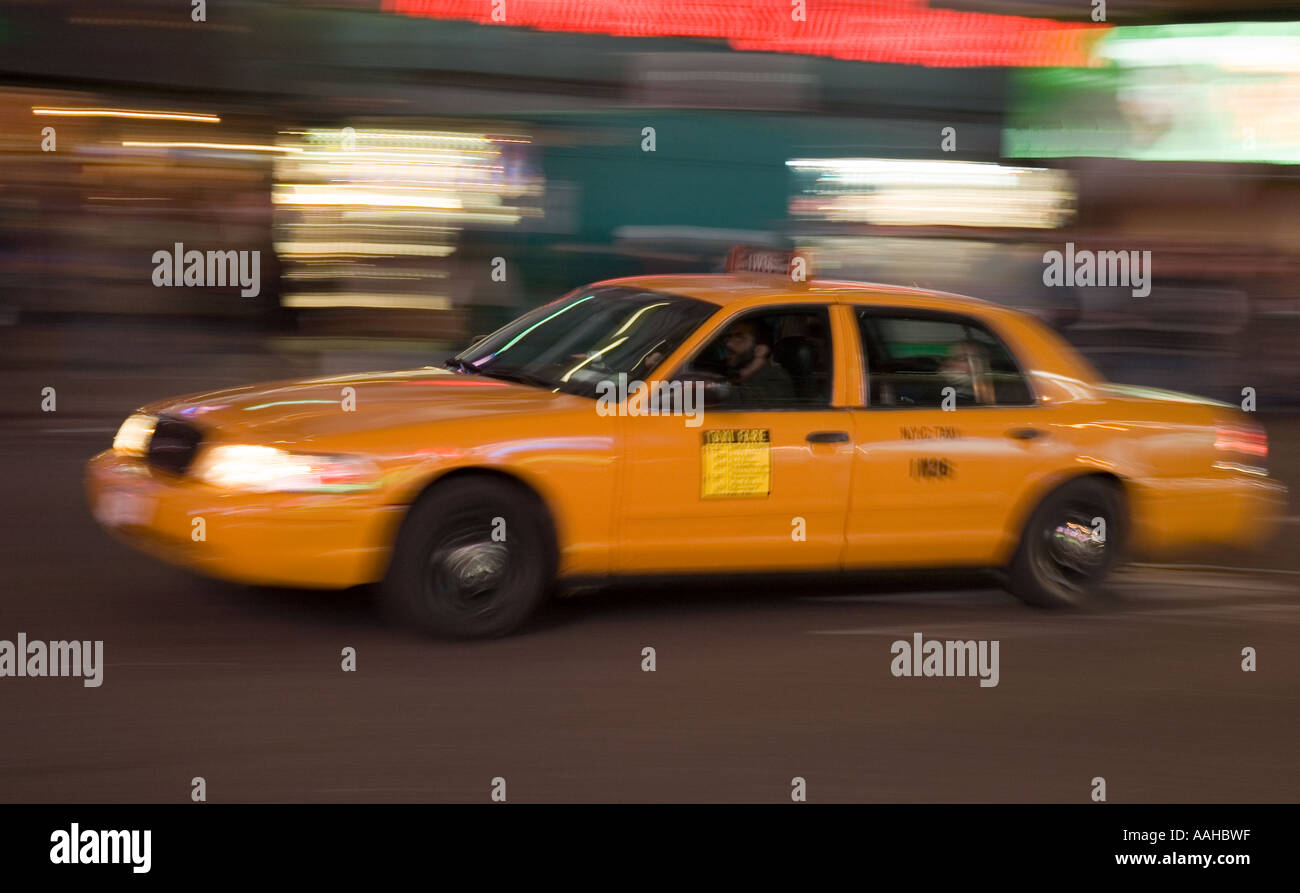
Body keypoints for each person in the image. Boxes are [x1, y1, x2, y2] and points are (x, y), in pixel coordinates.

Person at [723, 319, 794, 407]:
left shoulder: (776, 380)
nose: (728, 344)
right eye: (729, 337)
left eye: (739, 337)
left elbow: (738, 403)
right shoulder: (733, 373)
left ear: (760, 350)